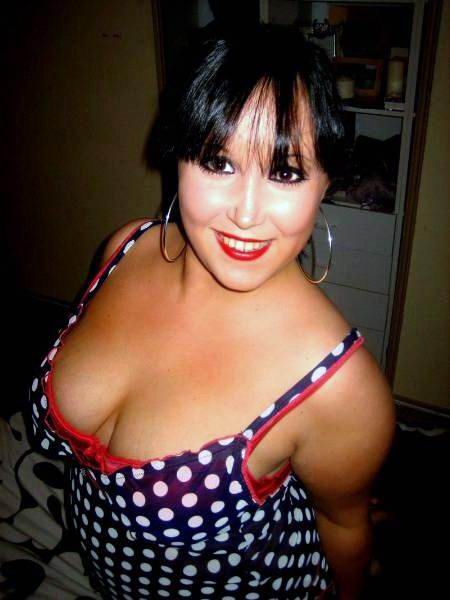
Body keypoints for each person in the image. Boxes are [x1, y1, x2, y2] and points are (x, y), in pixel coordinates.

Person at [25, 25, 395, 600]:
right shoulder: (125, 248)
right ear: (178, 156)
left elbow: (344, 526)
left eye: (285, 172)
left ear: (327, 181)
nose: (245, 213)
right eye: (218, 162)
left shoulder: (342, 389)